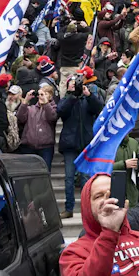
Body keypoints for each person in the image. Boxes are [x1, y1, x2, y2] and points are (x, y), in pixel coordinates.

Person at [58, 74, 105, 218]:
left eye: (76, 84)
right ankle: (69, 208)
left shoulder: (87, 99)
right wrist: (72, 96)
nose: (74, 86)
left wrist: (89, 95)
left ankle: (87, 209)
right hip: (70, 144)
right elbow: (60, 111)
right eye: (71, 84)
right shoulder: (66, 99)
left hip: (86, 143)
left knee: (86, 178)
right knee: (69, 178)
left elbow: (99, 109)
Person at [17, 83, 58, 170]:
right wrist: (25, 101)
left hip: (45, 147)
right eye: (41, 94)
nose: (42, 96)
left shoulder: (53, 108)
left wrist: (46, 103)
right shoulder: (31, 108)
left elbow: (52, 117)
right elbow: (20, 118)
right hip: (28, 146)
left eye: (45, 94)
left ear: (50, 96)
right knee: (28, 174)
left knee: (44, 173)